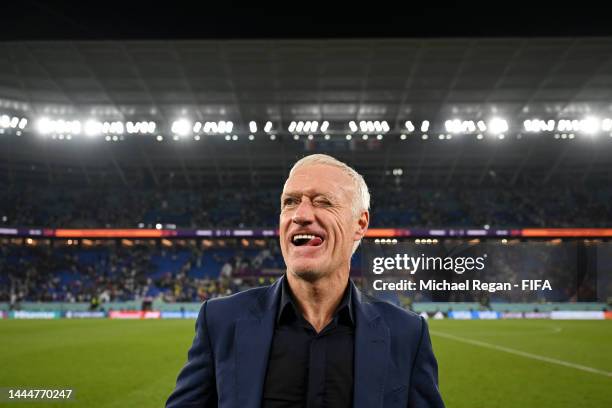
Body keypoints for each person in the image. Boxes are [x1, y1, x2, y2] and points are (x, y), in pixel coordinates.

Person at [166, 154, 444, 408]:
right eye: (290, 202)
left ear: (359, 224)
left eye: (323, 202)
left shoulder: (407, 334)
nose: (300, 215)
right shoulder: (220, 321)